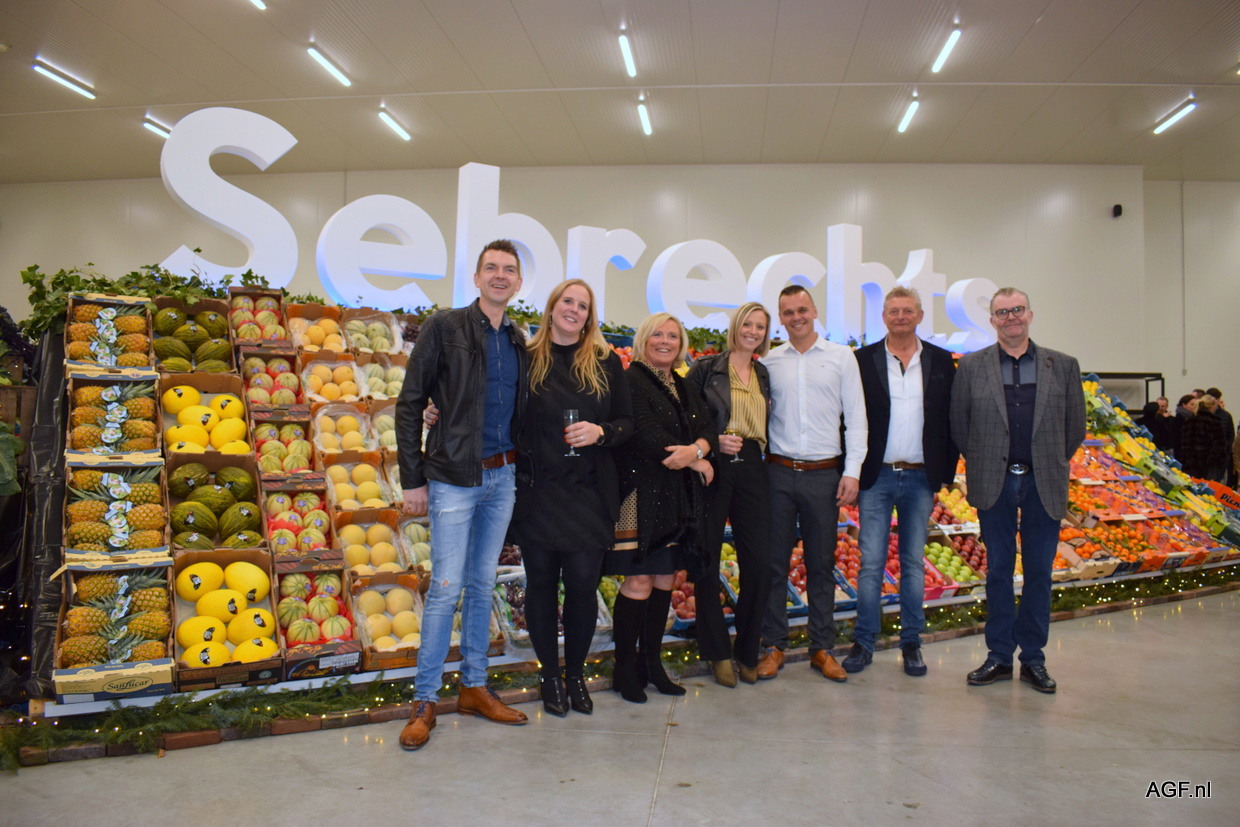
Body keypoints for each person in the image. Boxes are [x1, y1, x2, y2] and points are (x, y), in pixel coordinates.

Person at [394, 239, 530, 750]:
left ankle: (474, 687)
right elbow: (410, 403)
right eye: (491, 268)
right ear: (476, 278)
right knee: (446, 589)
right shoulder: (444, 327)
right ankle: (425, 700)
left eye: (509, 270)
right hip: (453, 476)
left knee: (481, 584)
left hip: (502, 477)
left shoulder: (518, 339)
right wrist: (413, 479)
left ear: (518, 283)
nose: (500, 276)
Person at [951, 287, 1085, 694]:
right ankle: (998, 655)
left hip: (1044, 481)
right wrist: (985, 460)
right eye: (1002, 312)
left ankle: (1033, 659)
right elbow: (960, 424)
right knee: (998, 570)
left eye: (1017, 310)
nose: (1011, 317)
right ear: (992, 320)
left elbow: (1075, 426)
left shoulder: (1062, 365)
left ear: (1030, 314)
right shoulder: (972, 366)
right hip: (995, 482)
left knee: (1040, 572)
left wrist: (1050, 460)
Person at [508, 280, 632, 716]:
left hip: (589, 493)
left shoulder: (604, 362)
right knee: (541, 585)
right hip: (538, 493)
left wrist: (602, 432)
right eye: (568, 301)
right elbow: (496, 410)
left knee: (582, 585)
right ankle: (549, 676)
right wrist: (438, 411)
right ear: (552, 307)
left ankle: (575, 673)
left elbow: (627, 423)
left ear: (589, 317)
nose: (574, 310)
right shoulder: (525, 359)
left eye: (583, 306)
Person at [844, 286, 957, 678]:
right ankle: (863, 642)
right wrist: (851, 470)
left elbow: (951, 419)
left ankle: (912, 643)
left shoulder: (941, 361)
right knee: (871, 563)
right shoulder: (863, 360)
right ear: (884, 317)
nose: (901, 317)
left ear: (920, 316)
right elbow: (848, 417)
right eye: (894, 311)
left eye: (908, 310)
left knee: (912, 563)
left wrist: (946, 472)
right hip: (876, 476)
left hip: (922, 477)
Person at [757, 285, 867, 683]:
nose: (796, 317)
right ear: (781, 318)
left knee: (822, 565)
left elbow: (857, 418)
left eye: (802, 309)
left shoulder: (841, 357)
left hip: (824, 475)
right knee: (774, 564)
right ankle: (774, 646)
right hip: (778, 473)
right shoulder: (769, 362)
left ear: (815, 310)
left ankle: (822, 648)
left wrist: (852, 471)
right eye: (788, 312)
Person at [606, 312, 716, 703]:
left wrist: (699, 450)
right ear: (644, 339)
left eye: (672, 335)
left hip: (677, 500)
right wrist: (696, 460)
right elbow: (648, 436)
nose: (665, 341)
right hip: (642, 497)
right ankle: (624, 669)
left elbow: (708, 426)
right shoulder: (630, 380)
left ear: (681, 343)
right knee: (638, 581)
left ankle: (652, 663)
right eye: (658, 334)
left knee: (666, 578)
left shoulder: (683, 385)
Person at [685, 302, 774, 687]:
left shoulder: (763, 373)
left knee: (761, 563)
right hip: (716, 463)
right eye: (747, 324)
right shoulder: (707, 369)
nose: (753, 331)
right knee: (707, 556)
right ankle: (717, 651)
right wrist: (711, 441)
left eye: (760, 326)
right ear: (736, 326)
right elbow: (684, 415)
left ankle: (747, 650)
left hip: (754, 465)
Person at [1178, 394, 1229, 482]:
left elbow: (1184, 444)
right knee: (1209, 488)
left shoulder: (1189, 421)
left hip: (1192, 463)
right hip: (1209, 465)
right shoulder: (1214, 422)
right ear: (1212, 406)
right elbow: (1219, 446)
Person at [1206, 388, 1235, 486]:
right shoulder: (1201, 414)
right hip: (1205, 457)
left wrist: (1226, 450)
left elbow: (1230, 435)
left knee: (1216, 483)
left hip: (1220, 457)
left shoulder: (1225, 416)